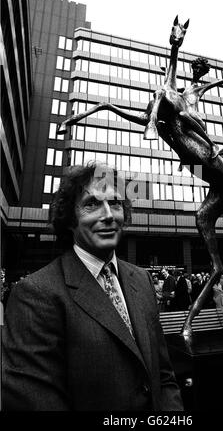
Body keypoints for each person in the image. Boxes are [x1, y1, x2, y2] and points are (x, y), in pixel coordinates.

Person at [3, 163, 183, 411]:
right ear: (69, 219)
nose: (108, 214)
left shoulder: (141, 279)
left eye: (116, 203)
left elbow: (163, 375)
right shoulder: (35, 294)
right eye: (92, 204)